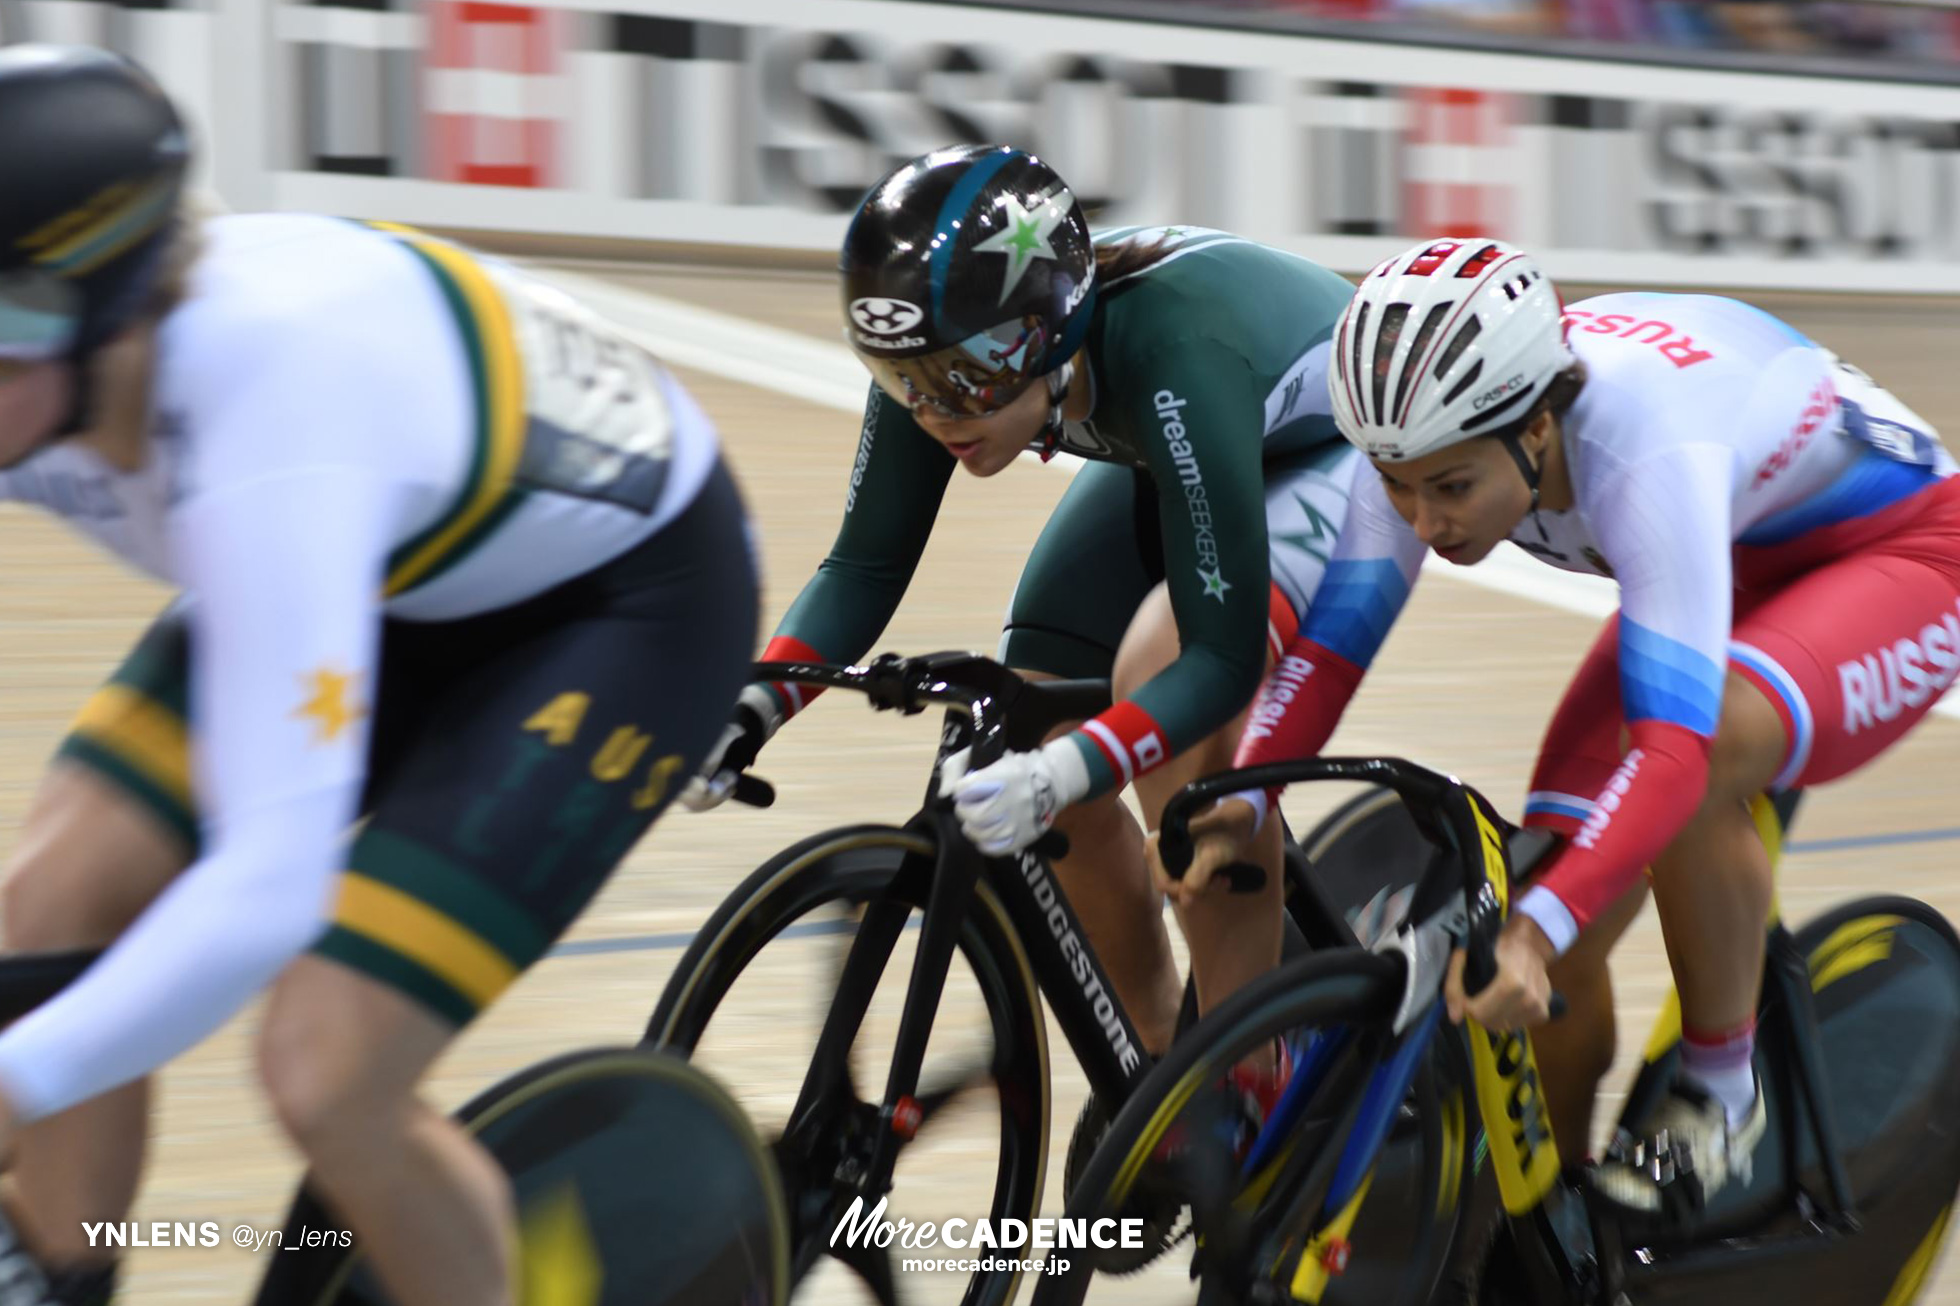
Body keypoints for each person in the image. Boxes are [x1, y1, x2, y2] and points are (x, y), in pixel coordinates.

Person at [0, 45, 758, 1306]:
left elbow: (267, 884)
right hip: (399, 548)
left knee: (327, 1063)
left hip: (618, 606)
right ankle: (56, 1277)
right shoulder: (59, 367)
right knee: (45, 909)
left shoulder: (263, 419)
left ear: (105, 315)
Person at [1173, 236, 1959, 1218]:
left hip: (1903, 556)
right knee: (1548, 894)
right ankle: (1557, 1226)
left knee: (1693, 762)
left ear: (1536, 427)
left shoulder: (1642, 453)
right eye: (1395, 486)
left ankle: (1720, 1093)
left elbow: (1669, 756)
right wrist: (1249, 798)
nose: (1419, 520)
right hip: (1722, 547)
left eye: (1451, 489)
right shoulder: (1426, 430)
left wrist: (1533, 939)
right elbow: (1333, 647)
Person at [683, 143, 1360, 1059]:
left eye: (961, 382)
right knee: (1031, 711)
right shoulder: (948, 347)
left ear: (1045, 336)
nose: (935, 413)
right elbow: (862, 570)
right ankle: (1160, 1051)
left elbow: (1220, 657)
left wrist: (1067, 773)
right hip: (1170, 440)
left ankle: (1249, 1082)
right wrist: (751, 705)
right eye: (901, 381)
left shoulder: (1174, 355)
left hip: (1322, 451)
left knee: (1168, 702)